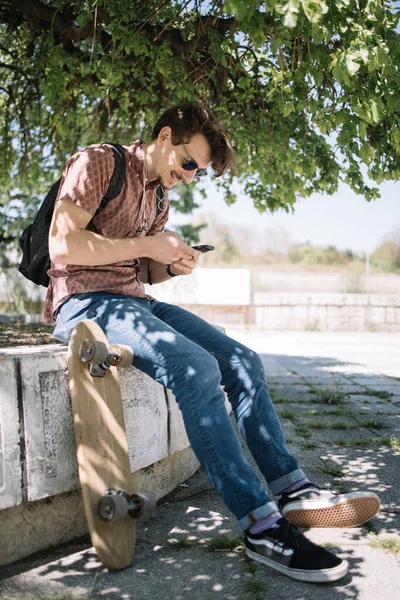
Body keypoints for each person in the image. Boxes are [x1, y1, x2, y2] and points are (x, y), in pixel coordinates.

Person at [44, 102, 380, 584]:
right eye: (187, 163)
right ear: (164, 137)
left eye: (198, 172)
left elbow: (141, 271)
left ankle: (292, 490)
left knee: (242, 362)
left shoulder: (159, 196)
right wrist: (147, 246)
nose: (190, 175)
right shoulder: (98, 161)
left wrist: (169, 264)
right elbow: (64, 244)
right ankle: (262, 524)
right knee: (197, 367)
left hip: (134, 302)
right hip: (83, 304)